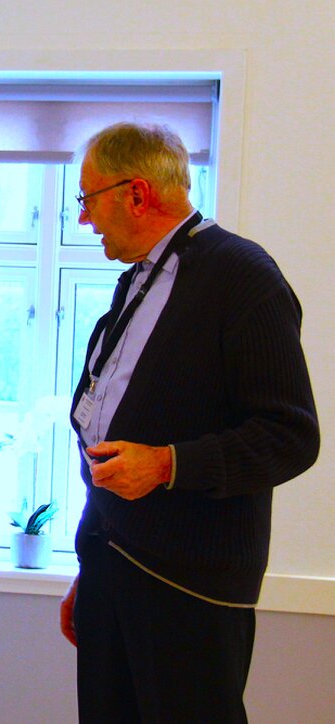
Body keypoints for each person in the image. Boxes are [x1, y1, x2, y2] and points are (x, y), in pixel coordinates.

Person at [59, 123, 320, 722]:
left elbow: (291, 435)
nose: (85, 219)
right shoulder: (137, 281)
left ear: (137, 194)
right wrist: (91, 563)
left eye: (88, 199)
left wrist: (168, 465)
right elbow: (105, 436)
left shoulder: (242, 276)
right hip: (113, 568)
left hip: (188, 586)